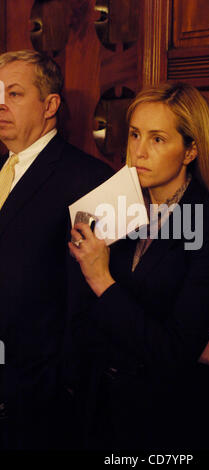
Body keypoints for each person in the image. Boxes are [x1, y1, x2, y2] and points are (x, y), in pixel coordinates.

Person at [69, 82, 209, 450]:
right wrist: (187, 346)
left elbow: (172, 351)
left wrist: (102, 280)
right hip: (98, 408)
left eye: (158, 139)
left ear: (190, 150)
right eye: (135, 135)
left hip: (163, 421)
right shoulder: (115, 206)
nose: (139, 151)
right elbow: (83, 315)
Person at [0, 50, 113, 450]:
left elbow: (87, 296)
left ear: (50, 105)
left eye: (14, 94)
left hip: (36, 393)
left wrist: (61, 384)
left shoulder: (89, 179)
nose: (1, 104)